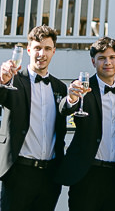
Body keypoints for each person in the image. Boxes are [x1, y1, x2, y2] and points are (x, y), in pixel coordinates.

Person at [58, 36, 115, 211]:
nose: (107, 62)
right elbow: (65, 109)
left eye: (112, 57)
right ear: (93, 61)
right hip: (86, 174)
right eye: (102, 58)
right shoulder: (81, 88)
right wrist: (71, 98)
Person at [0, 25, 67, 211]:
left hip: (49, 176)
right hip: (19, 172)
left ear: (53, 51)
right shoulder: (12, 80)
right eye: (37, 48)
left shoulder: (60, 88)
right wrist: (1, 80)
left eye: (47, 48)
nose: (41, 53)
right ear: (29, 50)